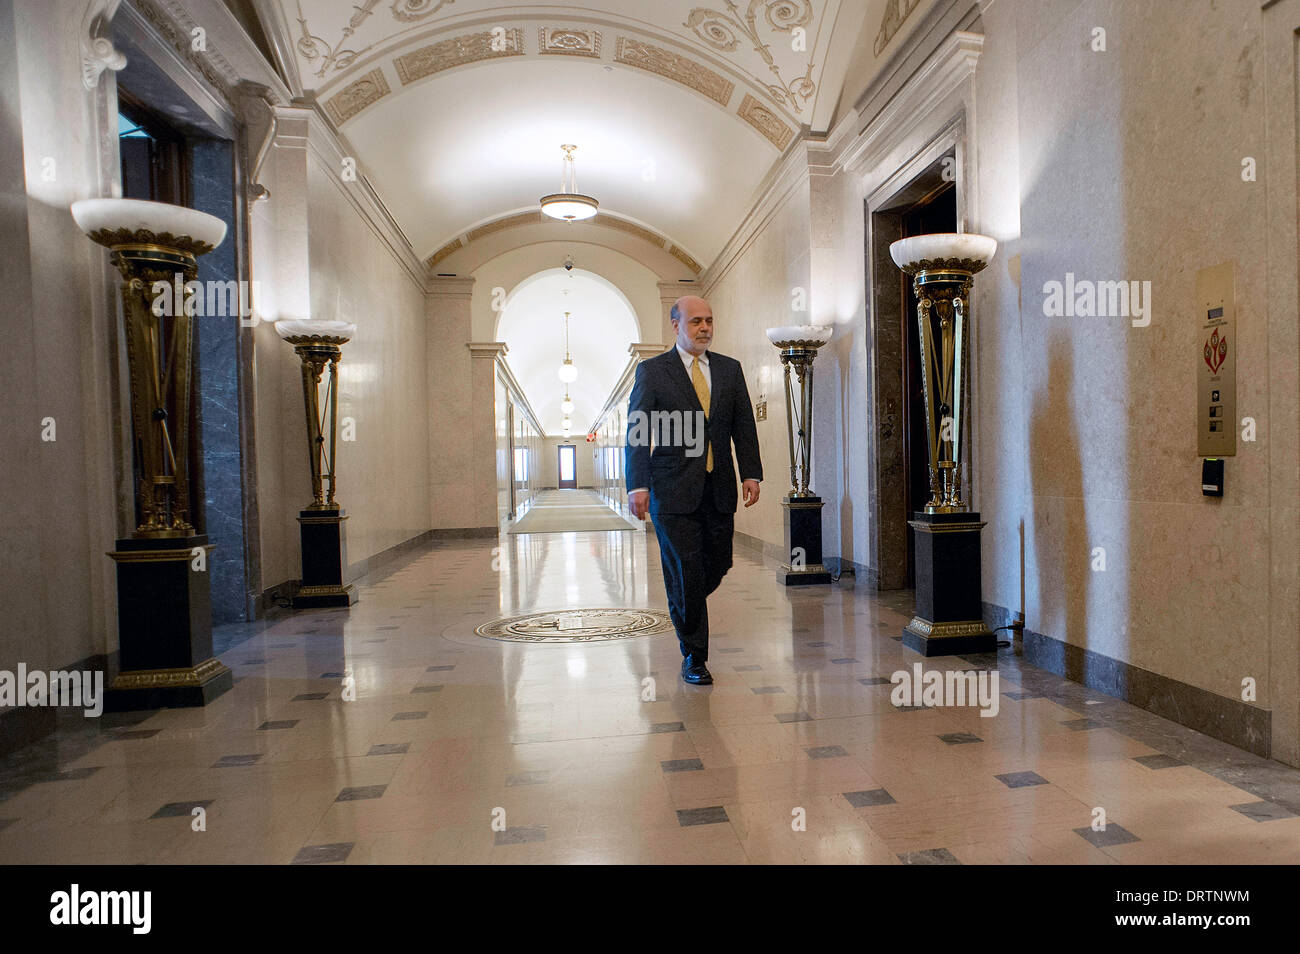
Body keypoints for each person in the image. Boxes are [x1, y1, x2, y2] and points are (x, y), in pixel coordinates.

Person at [625, 296, 762, 685]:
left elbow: (743, 425)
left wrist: (750, 473)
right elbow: (637, 431)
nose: (705, 328)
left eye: (709, 321)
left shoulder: (729, 370)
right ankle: (694, 656)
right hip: (671, 490)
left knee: (717, 563)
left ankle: (685, 597)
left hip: (717, 487)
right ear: (675, 325)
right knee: (685, 570)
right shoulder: (653, 372)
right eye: (696, 321)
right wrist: (638, 484)